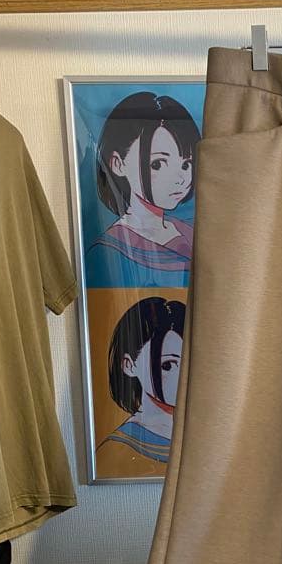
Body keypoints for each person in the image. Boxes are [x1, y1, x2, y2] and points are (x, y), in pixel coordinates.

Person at [85, 93, 200, 289]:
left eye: (185, 164)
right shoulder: (109, 250)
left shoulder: (189, 232)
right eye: (158, 164)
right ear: (117, 164)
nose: (180, 179)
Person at [96, 297, 185, 477]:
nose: (182, 377)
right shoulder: (118, 448)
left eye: (189, 363)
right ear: (129, 365)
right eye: (167, 365)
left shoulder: (205, 437)